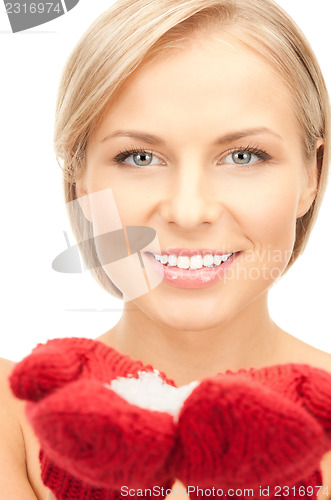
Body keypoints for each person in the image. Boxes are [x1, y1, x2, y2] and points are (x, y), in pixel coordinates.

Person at [1, 0, 330, 498]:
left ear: (311, 174)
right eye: (139, 157)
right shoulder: (14, 410)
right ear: (79, 177)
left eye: (243, 156)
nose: (189, 211)